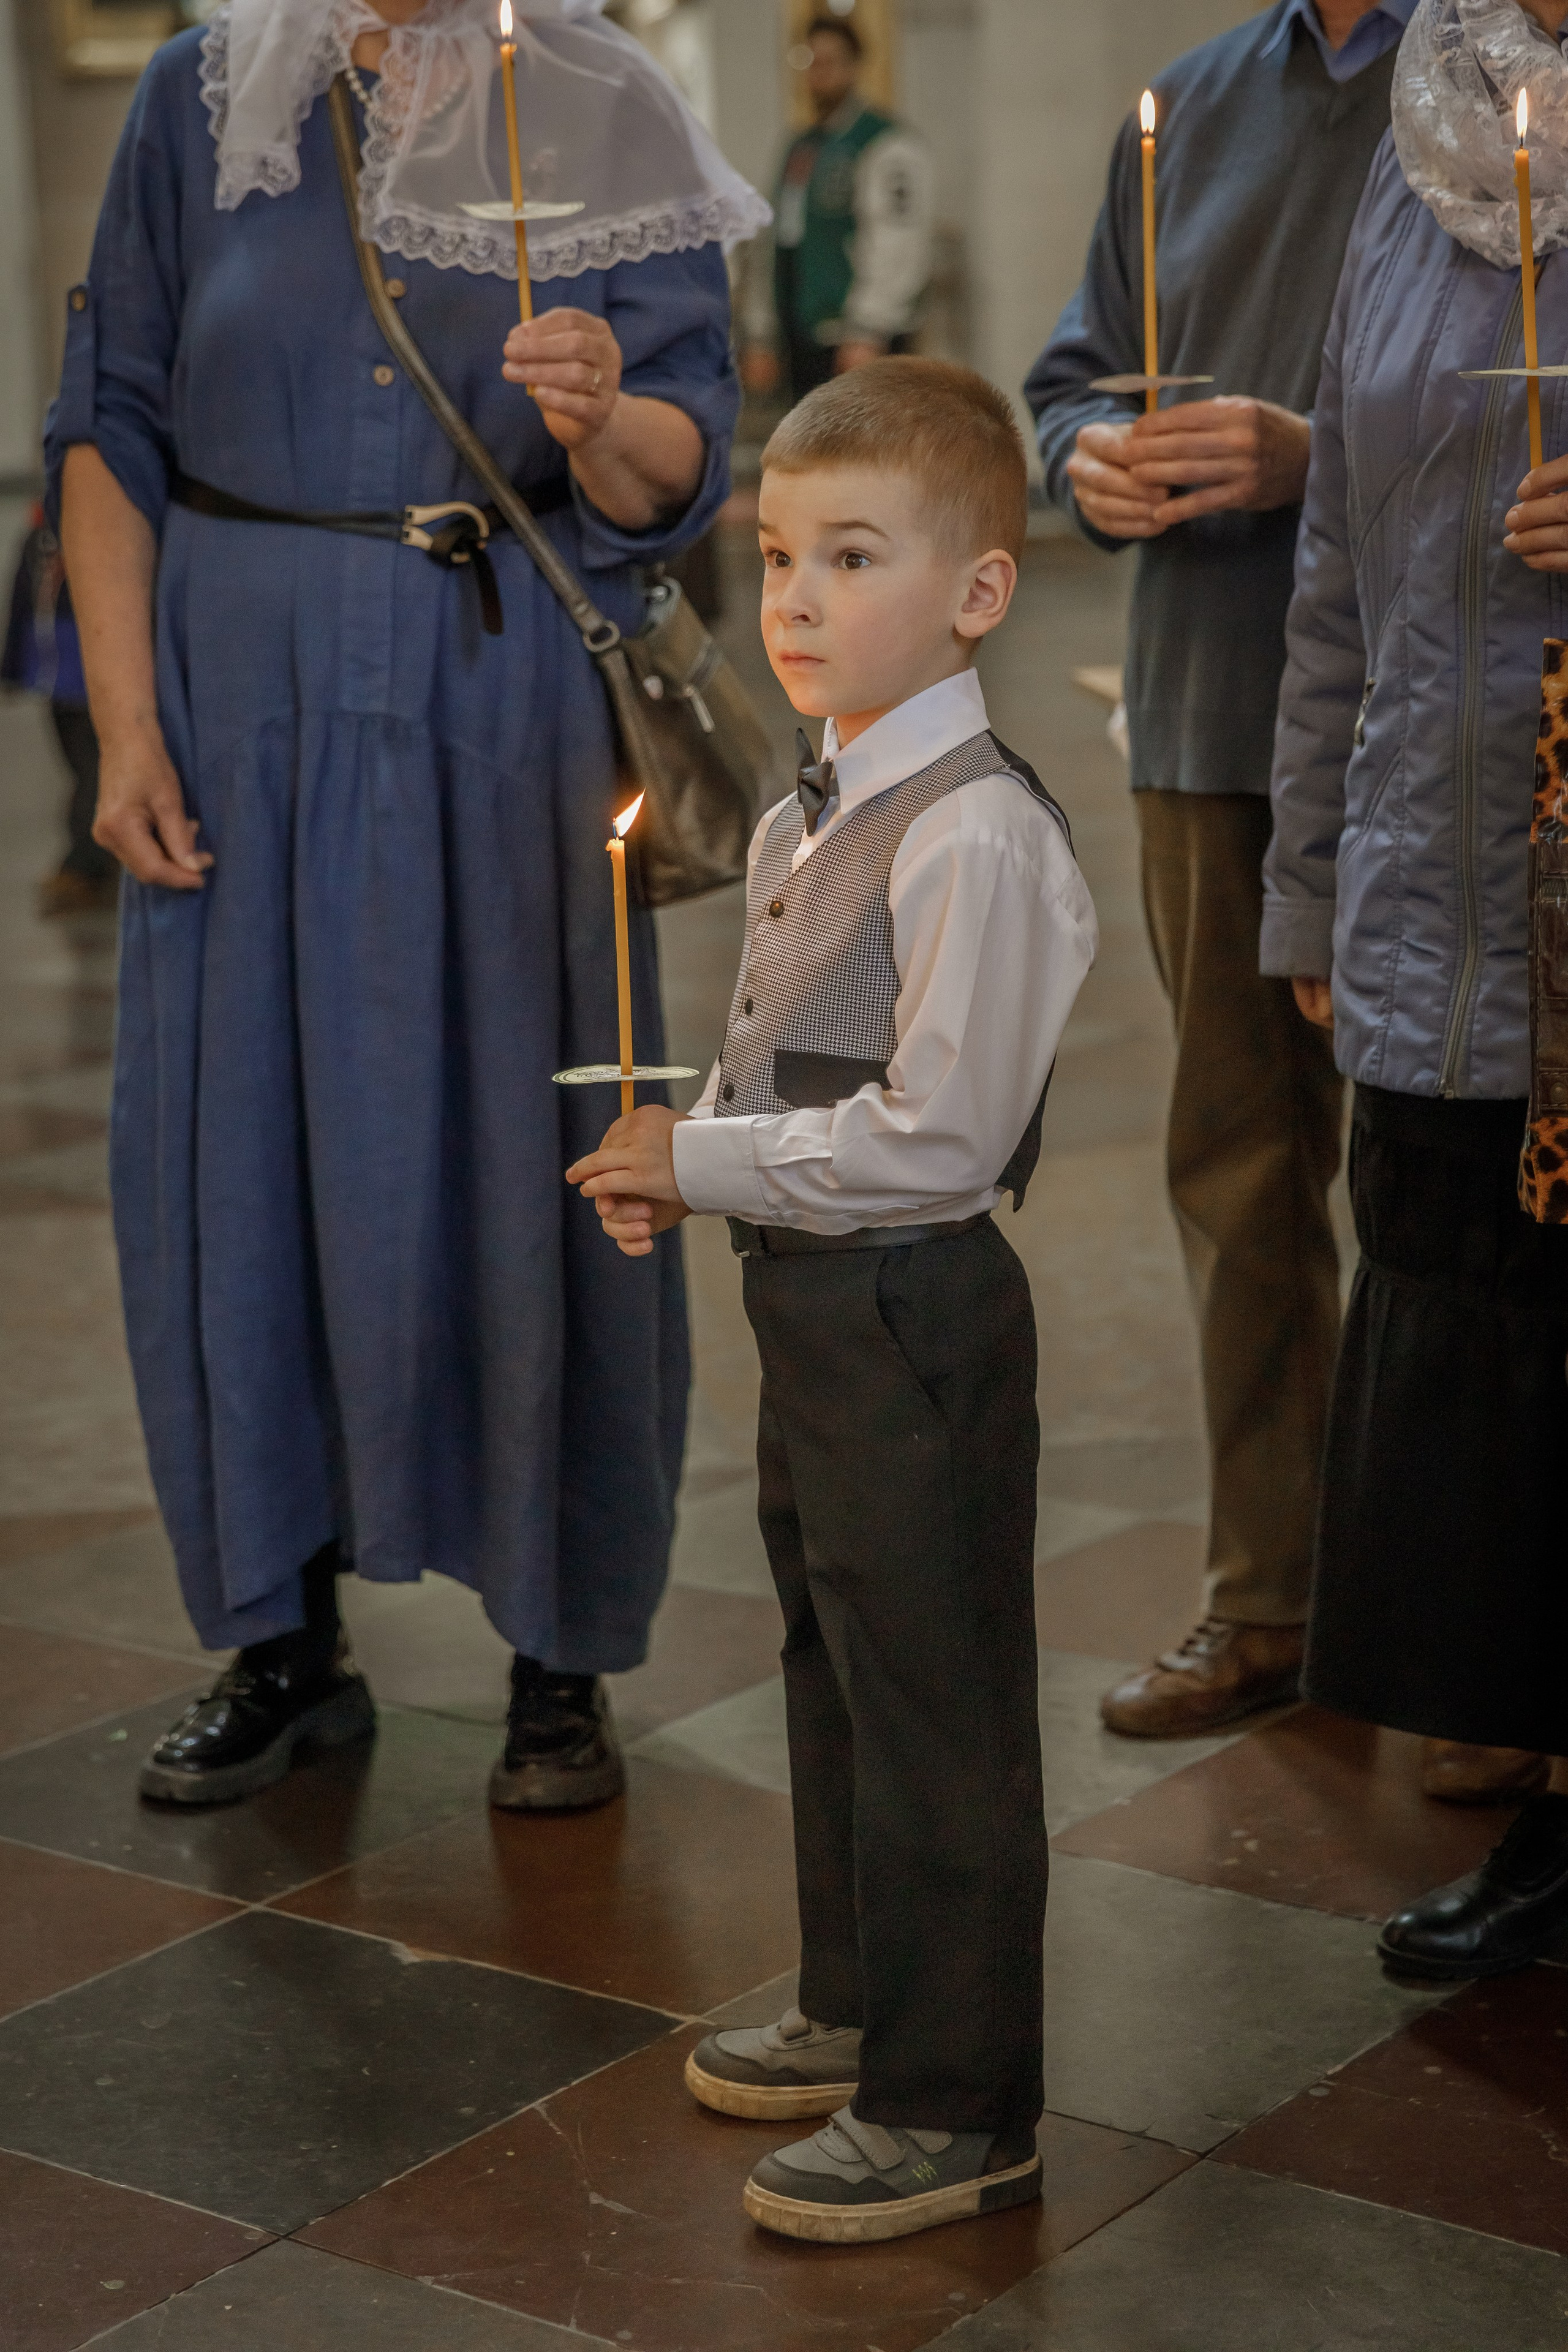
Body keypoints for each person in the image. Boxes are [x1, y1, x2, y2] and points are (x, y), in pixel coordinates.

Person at [48, 0, 765, 1813]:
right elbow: (110, 417)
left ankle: (560, 1647)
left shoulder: (604, 99)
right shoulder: (197, 101)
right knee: (241, 1155)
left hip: (496, 720)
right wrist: (124, 726)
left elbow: (689, 454)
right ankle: (278, 1632)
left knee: (535, 1146)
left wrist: (604, 422)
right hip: (239, 721)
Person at [568, 358, 1096, 2241]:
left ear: (975, 592)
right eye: (773, 555)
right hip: (811, 1315)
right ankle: (863, 1995)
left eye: (848, 556)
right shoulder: (807, 815)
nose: (789, 601)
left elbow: (936, 1140)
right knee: (835, 1661)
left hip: (916, 1318)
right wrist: (675, 1151)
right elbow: (774, 1063)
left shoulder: (975, 832)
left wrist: (697, 1159)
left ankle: (960, 2105)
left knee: (936, 1697)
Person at [1025, 0, 1435, 1752]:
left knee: (1440, 1187)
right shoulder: (1188, 101)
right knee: (1239, 1166)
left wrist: (1312, 452)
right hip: (1205, 705)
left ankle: (1448, 1627)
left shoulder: (1493, 84)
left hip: (1425, 719)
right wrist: (1088, 467)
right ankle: (1269, 1593)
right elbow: (1067, 378)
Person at [1265, 0, 1568, 1979]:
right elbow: (1338, 565)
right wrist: (1308, 876)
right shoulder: (1418, 147)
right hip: (1431, 873)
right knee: (1474, 1331)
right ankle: (1548, 1800)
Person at [742, 14, 933, 405]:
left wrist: (869, 327)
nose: (819, 71)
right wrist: (761, 332)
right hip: (800, 333)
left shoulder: (885, 143)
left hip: (858, 338)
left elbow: (897, 240)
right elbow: (773, 240)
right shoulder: (800, 146)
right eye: (810, 60)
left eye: (831, 61)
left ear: (855, 66)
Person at [2, 508, 118, 916]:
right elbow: (22, 599)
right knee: (79, 768)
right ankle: (100, 855)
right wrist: (13, 666)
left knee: (93, 770)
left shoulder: (103, 519)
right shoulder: (40, 530)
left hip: (93, 670)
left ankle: (85, 865)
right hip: (52, 672)